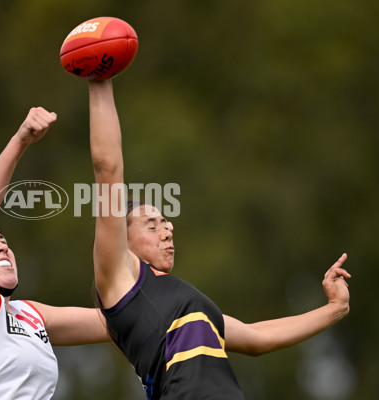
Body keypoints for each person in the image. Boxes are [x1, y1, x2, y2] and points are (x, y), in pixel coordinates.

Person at [86, 79, 352, 399]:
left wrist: (335, 309)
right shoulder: (120, 281)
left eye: (167, 222)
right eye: (151, 225)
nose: (168, 229)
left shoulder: (188, 305)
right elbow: (107, 169)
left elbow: (257, 338)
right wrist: (99, 79)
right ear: (119, 240)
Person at [0, 106, 109, 400]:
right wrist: (20, 141)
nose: (1, 245)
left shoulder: (30, 314)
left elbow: (115, 322)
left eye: (2, 239)